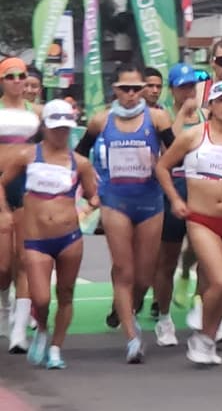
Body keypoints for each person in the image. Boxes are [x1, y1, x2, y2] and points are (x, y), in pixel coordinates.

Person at [156, 81, 222, 364]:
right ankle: (202, 321)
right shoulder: (193, 136)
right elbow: (163, 167)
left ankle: (206, 339)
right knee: (221, 279)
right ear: (211, 106)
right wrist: (175, 200)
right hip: (201, 219)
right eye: (221, 100)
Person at [77, 64, 176, 362]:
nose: (131, 94)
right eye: (125, 89)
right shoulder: (101, 120)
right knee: (124, 270)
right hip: (114, 201)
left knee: (144, 275)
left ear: (143, 89)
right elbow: (78, 156)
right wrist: (90, 188)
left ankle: (127, 309)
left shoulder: (157, 118)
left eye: (136, 89)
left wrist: (163, 167)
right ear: (115, 90)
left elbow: (176, 154)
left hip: (150, 202)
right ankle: (132, 338)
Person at [0, 101, 97, 369]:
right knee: (41, 298)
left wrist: (91, 206)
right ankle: (42, 328)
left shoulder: (80, 163)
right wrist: (5, 211)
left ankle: (56, 348)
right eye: (56, 128)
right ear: (45, 127)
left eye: (65, 128)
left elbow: (93, 195)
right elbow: (2, 182)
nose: (61, 133)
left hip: (69, 238)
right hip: (36, 240)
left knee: (66, 293)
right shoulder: (27, 156)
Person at [152, 64, 210, 349]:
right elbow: (167, 151)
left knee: (206, 255)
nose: (188, 92)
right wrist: (181, 117)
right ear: (172, 89)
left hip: (201, 188)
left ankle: (200, 308)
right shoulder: (163, 115)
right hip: (173, 188)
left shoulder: (206, 115)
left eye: (191, 86)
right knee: (167, 258)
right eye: (182, 87)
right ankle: (164, 317)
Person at [0, 57, 41, 350]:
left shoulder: (36, 113)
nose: (17, 81)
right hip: (1, 185)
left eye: (21, 75)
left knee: (25, 259)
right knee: (3, 265)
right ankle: (4, 307)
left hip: (28, 187)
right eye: (10, 76)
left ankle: (19, 330)